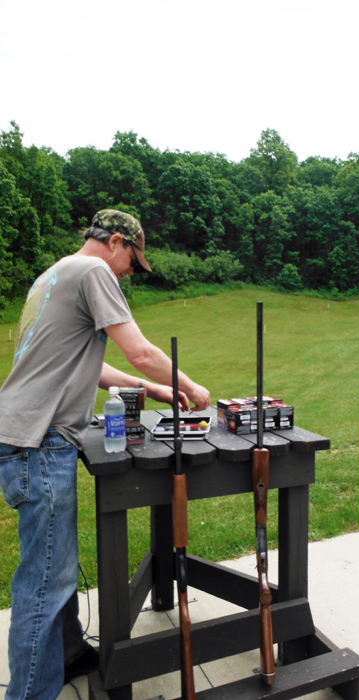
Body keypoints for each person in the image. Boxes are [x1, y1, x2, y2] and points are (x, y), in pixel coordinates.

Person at [0, 209, 210, 700]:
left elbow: (93, 368)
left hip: (23, 436)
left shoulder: (53, 276)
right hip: (41, 439)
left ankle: (70, 652)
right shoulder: (95, 271)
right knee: (45, 583)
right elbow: (137, 350)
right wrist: (189, 383)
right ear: (116, 242)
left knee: (54, 566)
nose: (128, 275)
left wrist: (157, 390)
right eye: (132, 264)